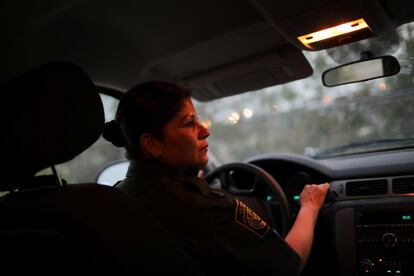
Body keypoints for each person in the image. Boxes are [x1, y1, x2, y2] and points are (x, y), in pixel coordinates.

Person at [103, 81, 330, 275]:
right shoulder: (204, 207)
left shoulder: (115, 196)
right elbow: (290, 264)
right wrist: (309, 206)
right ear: (152, 144)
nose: (204, 130)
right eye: (188, 123)